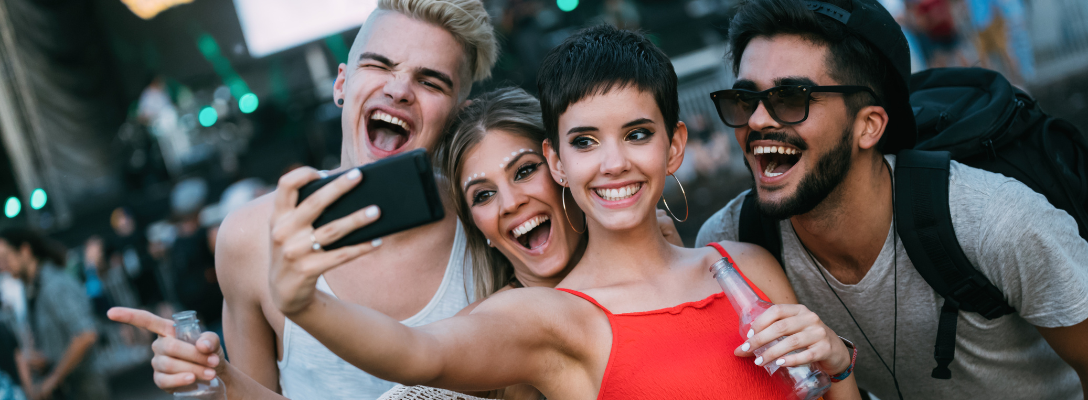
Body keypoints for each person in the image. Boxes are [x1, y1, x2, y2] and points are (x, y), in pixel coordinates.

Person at [124, 25, 859, 400]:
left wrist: (837, 363)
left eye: (636, 136)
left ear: (675, 148)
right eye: (584, 143)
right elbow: (417, 354)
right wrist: (303, 303)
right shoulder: (543, 318)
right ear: (564, 161)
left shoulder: (743, 266)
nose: (612, 163)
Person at [111, 87, 683, 399]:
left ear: (561, 166)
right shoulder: (499, 325)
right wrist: (225, 377)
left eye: (524, 170)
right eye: (481, 196)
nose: (508, 204)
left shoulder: (669, 254)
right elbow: (417, 360)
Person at [695, 0, 1088, 398]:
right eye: (745, 100)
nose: (758, 120)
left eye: (792, 98)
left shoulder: (992, 222)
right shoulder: (732, 250)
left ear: (869, 126)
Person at [122, 1, 500, 399]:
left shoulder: (487, 219)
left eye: (431, 82)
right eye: (379, 65)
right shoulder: (250, 237)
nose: (399, 89)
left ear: (458, 117)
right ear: (341, 84)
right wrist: (214, 384)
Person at [0, 228, 109, 400]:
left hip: (84, 389)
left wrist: (53, 378)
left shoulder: (55, 284)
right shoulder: (33, 290)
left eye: (6, 257)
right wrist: (45, 360)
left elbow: (86, 334)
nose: (2, 266)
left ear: (25, 251)